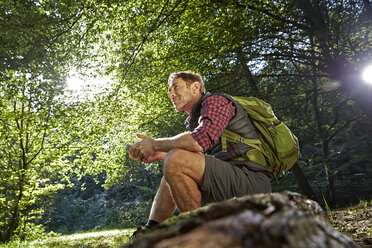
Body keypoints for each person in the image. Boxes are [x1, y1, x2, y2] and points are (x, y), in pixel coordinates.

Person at [129, 71, 272, 232]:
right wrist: (161, 155)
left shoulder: (216, 102)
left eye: (176, 88)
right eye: (169, 91)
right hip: (228, 179)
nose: (171, 94)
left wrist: (155, 145)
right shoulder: (195, 120)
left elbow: (198, 141)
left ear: (195, 87)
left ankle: (197, 235)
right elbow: (202, 160)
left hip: (251, 182)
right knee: (171, 166)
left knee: (175, 159)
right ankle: (150, 231)